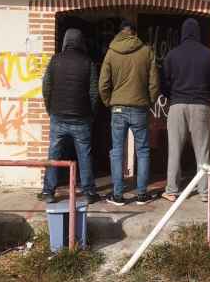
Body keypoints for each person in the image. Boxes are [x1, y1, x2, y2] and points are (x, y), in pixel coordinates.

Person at [99, 20, 159, 206]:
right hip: (140, 108)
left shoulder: (111, 52)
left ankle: (117, 195)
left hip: (117, 108)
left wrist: (110, 102)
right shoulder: (146, 51)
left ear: (120, 33)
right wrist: (148, 101)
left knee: (117, 151)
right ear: (134, 33)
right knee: (142, 151)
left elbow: (103, 84)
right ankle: (142, 194)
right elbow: (154, 83)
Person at [161, 18, 210, 202]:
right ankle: (204, 193)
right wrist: (205, 96)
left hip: (177, 105)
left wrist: (174, 96)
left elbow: (163, 83)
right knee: (202, 151)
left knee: (174, 149)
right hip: (201, 105)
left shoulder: (172, 55)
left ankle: (171, 190)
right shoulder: (208, 55)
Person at [38, 28, 100, 204]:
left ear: (65, 41)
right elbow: (94, 93)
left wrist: (50, 109)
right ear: (81, 42)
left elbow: (46, 88)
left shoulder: (55, 60)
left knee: (54, 154)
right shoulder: (88, 62)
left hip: (58, 115)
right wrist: (91, 114)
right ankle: (88, 192)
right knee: (84, 155)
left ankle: (48, 192)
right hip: (81, 117)